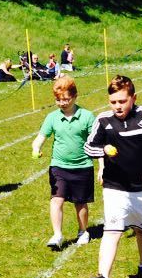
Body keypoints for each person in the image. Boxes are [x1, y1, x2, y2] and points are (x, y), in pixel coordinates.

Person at [84, 74, 142, 278]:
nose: (117, 106)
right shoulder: (103, 120)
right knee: (112, 231)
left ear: (133, 98)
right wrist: (103, 150)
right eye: (113, 102)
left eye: (122, 101)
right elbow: (89, 147)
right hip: (115, 186)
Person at [32, 75, 96, 249]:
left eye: (66, 99)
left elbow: (97, 141)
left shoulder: (87, 116)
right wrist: (36, 148)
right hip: (59, 166)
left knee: (80, 202)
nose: (62, 103)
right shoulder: (52, 117)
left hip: (83, 166)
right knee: (56, 199)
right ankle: (57, 235)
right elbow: (40, 138)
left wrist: (103, 166)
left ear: (75, 96)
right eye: (58, 100)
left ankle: (83, 231)